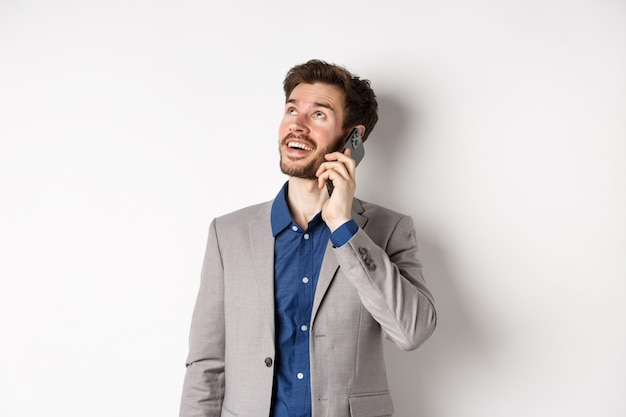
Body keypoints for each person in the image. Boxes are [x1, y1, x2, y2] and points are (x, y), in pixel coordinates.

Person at [179, 59, 437, 417]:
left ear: (353, 139)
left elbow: (411, 332)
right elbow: (206, 364)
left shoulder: (388, 230)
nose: (296, 125)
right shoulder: (228, 234)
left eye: (318, 115)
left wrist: (344, 227)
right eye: (291, 110)